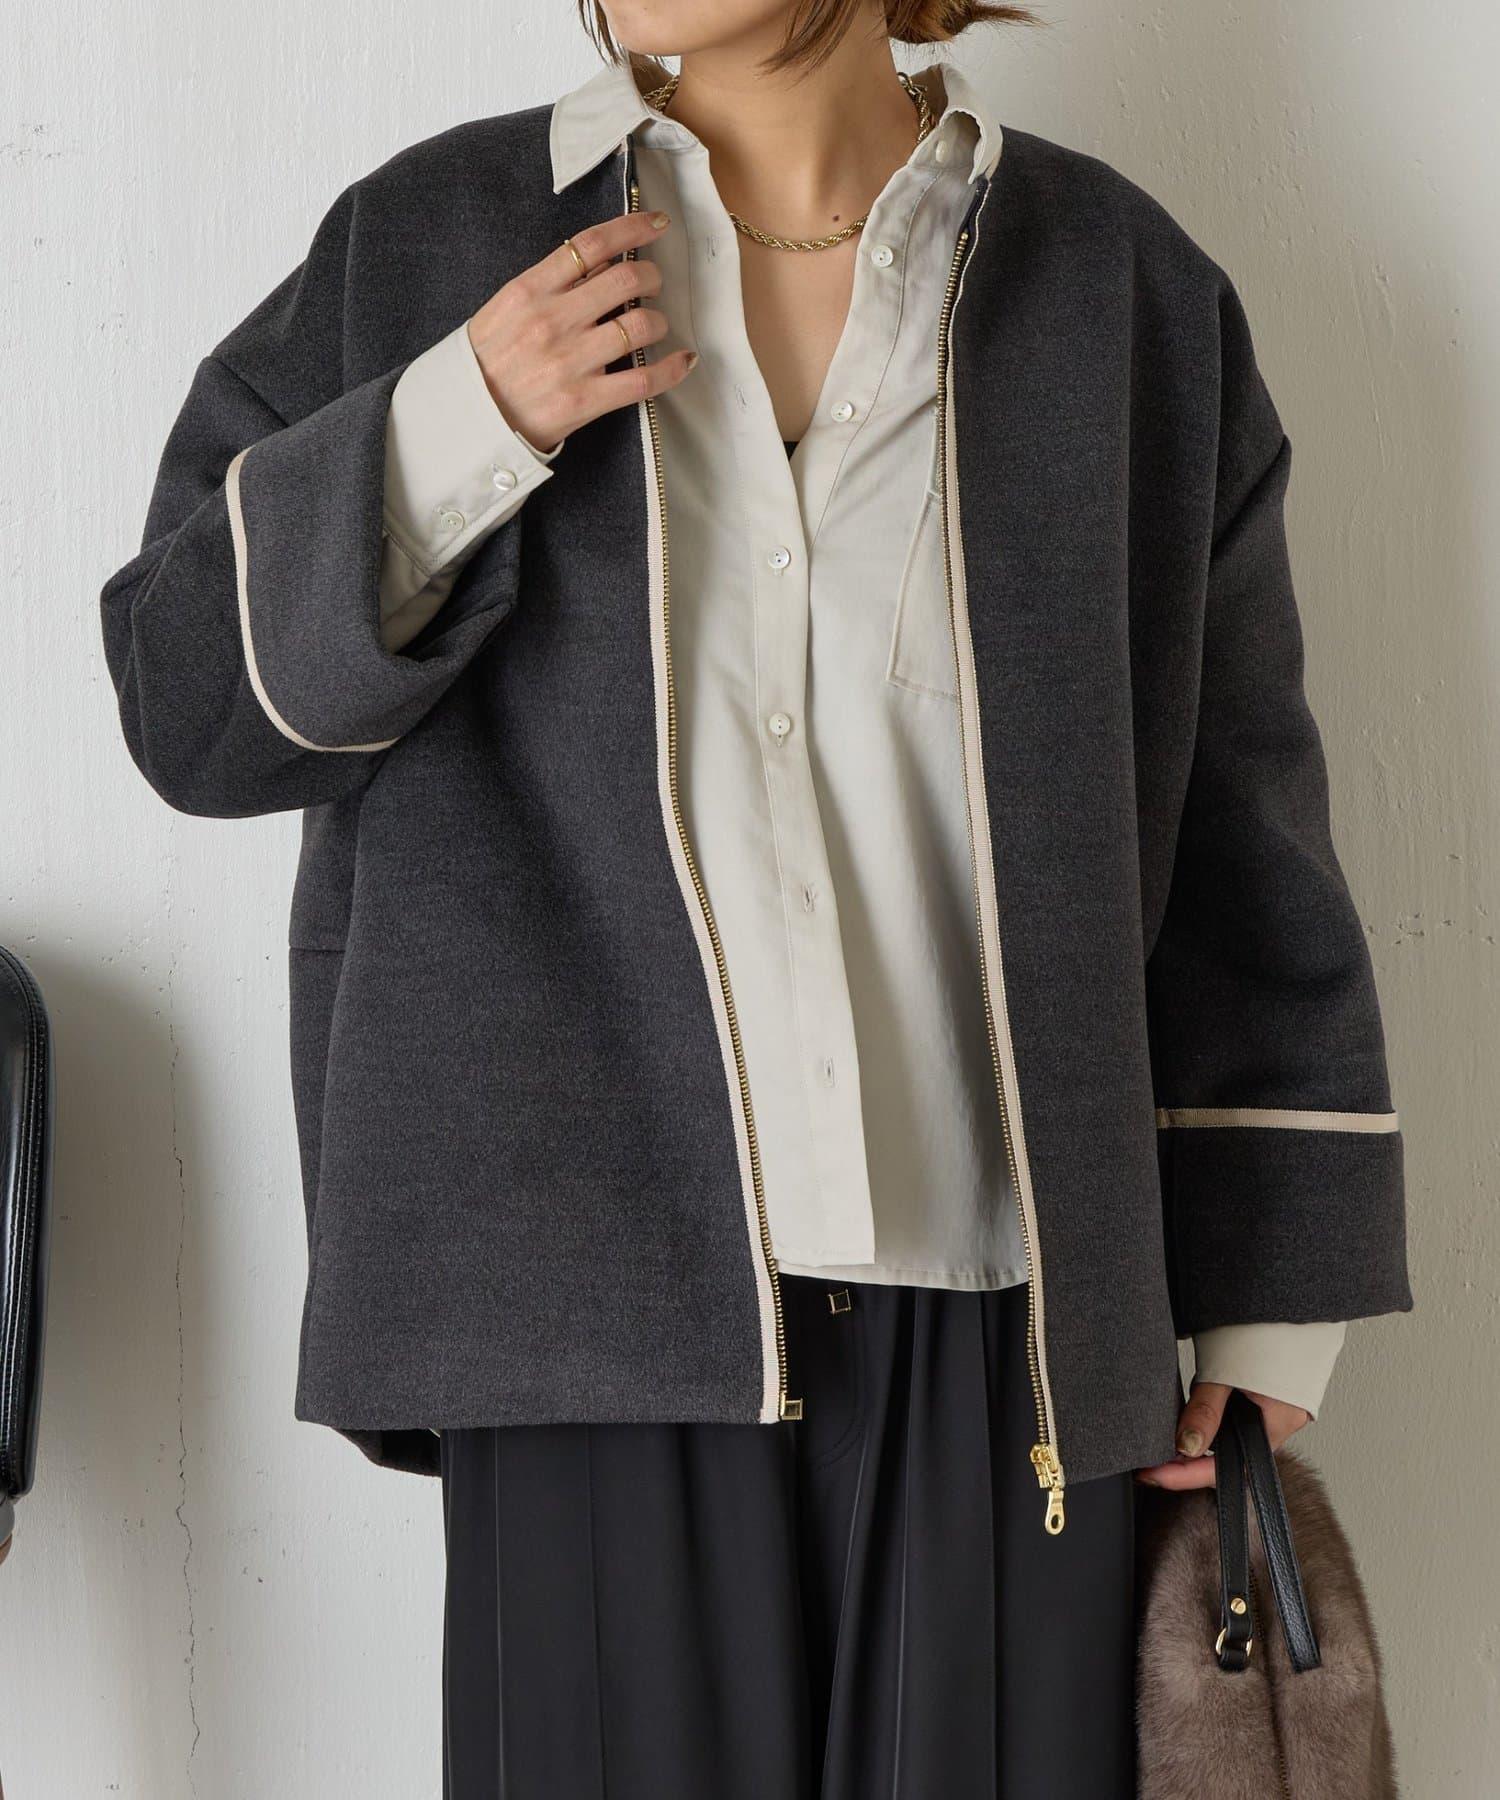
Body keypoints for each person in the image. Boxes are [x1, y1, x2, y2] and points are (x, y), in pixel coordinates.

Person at [100, 0, 1411, 1792]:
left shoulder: (1125, 297)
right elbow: (185, 709)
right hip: (585, 1318)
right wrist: (462, 417)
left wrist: (1267, 1303)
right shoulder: (425, 245)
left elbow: (1240, 815)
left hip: (1015, 1335)